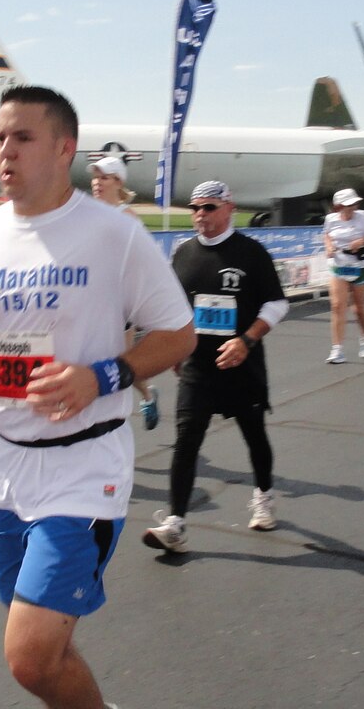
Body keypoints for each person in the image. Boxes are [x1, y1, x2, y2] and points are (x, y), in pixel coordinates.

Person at [0, 86, 195, 708]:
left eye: (22, 138)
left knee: (30, 655)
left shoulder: (112, 235)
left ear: (64, 149)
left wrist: (102, 375)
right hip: (3, 469)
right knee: (44, 655)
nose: (4, 152)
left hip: (83, 467)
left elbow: (180, 335)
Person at [142, 181, 289, 554]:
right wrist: (175, 349)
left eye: (208, 207)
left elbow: (276, 305)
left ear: (229, 209)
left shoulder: (251, 252)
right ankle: (175, 523)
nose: (200, 215)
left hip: (242, 364)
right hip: (198, 367)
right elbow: (175, 308)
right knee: (186, 440)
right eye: (195, 208)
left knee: (254, 436)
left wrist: (247, 340)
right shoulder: (183, 253)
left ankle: (264, 496)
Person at [88, 155, 159, 431]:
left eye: (104, 177)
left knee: (120, 358)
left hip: (119, 302)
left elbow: (144, 260)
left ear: (118, 182)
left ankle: (139, 402)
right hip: (90, 299)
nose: (97, 183)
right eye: (95, 177)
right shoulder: (87, 214)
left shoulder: (127, 217)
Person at [322, 188, 364, 364]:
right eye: (349, 204)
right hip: (339, 266)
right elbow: (326, 236)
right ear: (339, 206)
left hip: (360, 267)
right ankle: (337, 350)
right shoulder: (330, 219)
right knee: (337, 305)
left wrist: (363, 241)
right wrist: (328, 247)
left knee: (358, 308)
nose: (353, 207)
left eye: (355, 203)